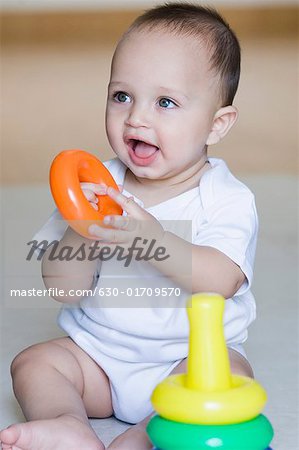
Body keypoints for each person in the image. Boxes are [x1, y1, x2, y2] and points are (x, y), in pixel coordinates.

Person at [0, 3, 258, 449]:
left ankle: (149, 432)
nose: (137, 117)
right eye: (122, 96)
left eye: (165, 102)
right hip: (98, 357)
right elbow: (64, 289)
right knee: (35, 363)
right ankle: (68, 423)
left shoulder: (227, 198)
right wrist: (83, 228)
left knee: (232, 375)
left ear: (216, 125)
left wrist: (152, 239)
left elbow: (222, 279)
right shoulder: (95, 187)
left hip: (187, 358)